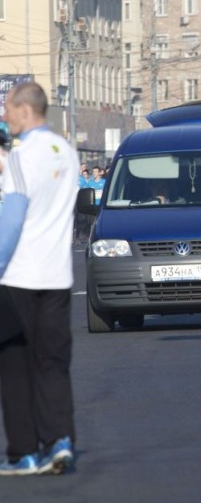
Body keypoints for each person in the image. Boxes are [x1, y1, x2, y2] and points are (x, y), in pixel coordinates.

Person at [0, 81, 80, 476]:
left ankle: (24, 452)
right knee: (53, 361)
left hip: (19, 276)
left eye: (8, 109)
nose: (4, 116)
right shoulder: (66, 152)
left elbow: (12, 223)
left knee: (14, 364)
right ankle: (60, 440)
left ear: (24, 110)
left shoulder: (20, 157)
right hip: (58, 274)